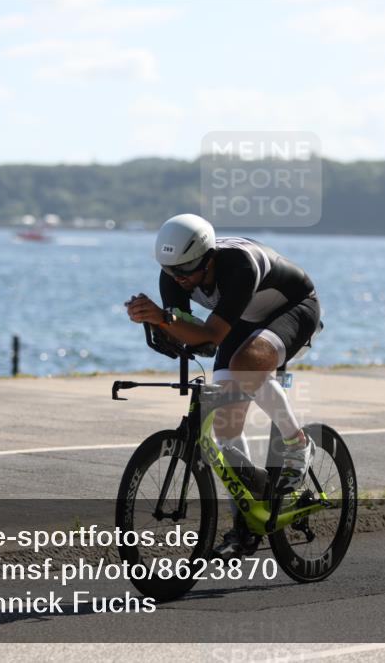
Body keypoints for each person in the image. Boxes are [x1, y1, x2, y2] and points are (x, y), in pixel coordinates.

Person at [125, 213, 322, 558]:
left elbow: (212, 336)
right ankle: (246, 526)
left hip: (294, 310)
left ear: (208, 257)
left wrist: (164, 319)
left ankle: (297, 443)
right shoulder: (173, 273)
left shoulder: (238, 266)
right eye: (173, 271)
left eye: (187, 270)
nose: (180, 279)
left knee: (246, 365)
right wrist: (157, 325)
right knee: (225, 426)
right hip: (243, 321)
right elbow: (190, 335)